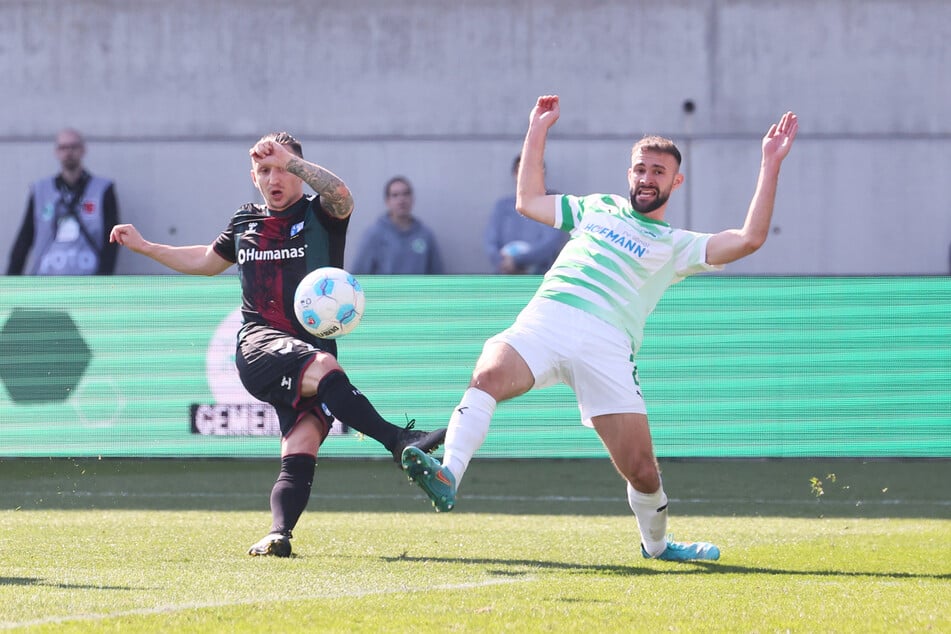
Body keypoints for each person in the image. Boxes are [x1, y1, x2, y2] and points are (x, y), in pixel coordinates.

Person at [402, 95, 799, 562]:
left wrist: (770, 164)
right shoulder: (597, 207)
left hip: (608, 345)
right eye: (640, 169)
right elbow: (528, 200)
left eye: (657, 171)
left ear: (676, 181)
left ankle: (658, 546)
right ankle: (448, 475)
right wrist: (537, 129)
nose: (646, 178)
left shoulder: (676, 245)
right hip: (548, 318)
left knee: (643, 471)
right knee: (488, 373)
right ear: (629, 173)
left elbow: (749, 239)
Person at [110, 132, 446, 557]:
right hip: (261, 347)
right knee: (325, 368)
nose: (275, 177)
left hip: (309, 356)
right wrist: (145, 246)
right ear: (254, 177)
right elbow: (205, 262)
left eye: (284, 169)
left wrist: (292, 160)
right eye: (265, 170)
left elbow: (342, 195)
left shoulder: (320, 214)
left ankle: (278, 533)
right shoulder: (244, 222)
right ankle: (399, 441)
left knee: (302, 443)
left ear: (300, 174)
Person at [7, 128, 120, 275]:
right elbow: (25, 238)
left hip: (89, 279)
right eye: (63, 147)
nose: (68, 152)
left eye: (73, 147)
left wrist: (104, 278)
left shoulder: (102, 189)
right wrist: (10, 281)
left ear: (83, 150)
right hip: (47, 279)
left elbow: (112, 240)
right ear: (56, 152)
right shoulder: (41, 190)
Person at [484, 154, 567, 274]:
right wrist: (503, 262)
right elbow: (491, 241)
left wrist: (518, 261)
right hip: (505, 277)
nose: (526, 176)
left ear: (542, 174)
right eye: (521, 171)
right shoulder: (503, 206)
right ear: (515, 175)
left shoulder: (553, 205)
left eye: (532, 171)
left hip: (540, 279)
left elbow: (550, 243)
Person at [350, 176, 444, 274]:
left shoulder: (425, 235)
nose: (401, 200)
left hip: (417, 290)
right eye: (395, 195)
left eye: (406, 194)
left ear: (412, 198)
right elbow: (359, 275)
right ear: (387, 201)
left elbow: (437, 275)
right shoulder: (374, 235)